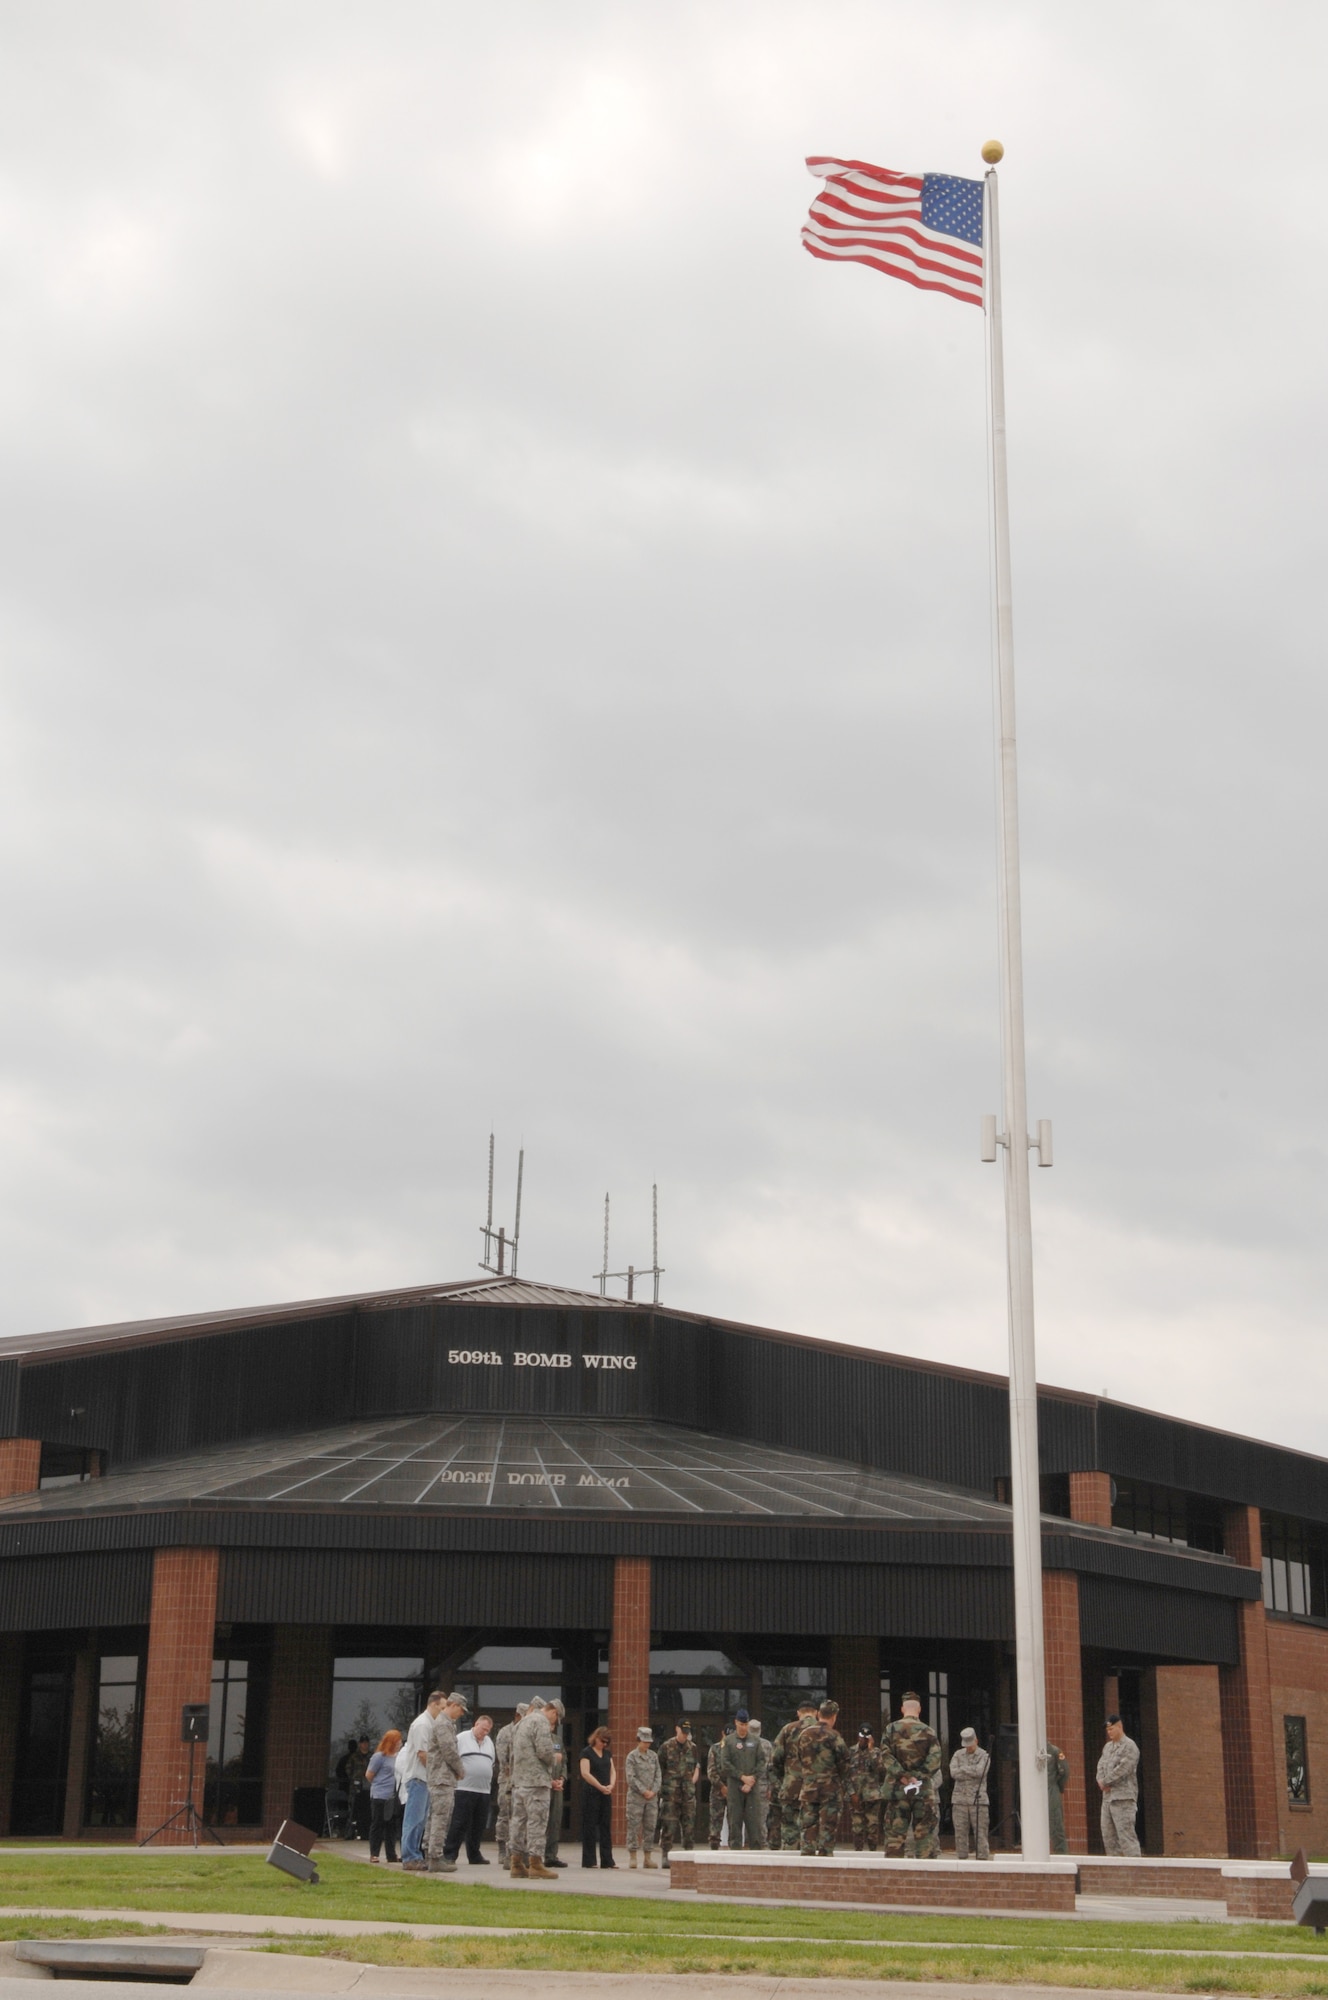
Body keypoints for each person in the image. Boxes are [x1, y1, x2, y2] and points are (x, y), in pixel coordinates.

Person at [881, 1691, 942, 1858]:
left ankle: (894, 1871)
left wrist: (903, 1776)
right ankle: (925, 1869)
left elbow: (885, 1756)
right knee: (925, 1836)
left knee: (895, 1836)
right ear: (919, 1709)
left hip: (897, 1790)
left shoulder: (891, 1729)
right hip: (922, 1790)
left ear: (902, 1709)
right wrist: (918, 1777)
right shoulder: (929, 1732)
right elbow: (935, 1760)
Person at [509, 1697, 560, 1880]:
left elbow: (512, 1754)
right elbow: (544, 1751)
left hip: (519, 1782)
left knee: (518, 1823)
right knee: (537, 1823)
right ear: (553, 1712)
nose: (554, 1723)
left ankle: (516, 1863)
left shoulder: (521, 1723)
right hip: (536, 1783)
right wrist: (555, 1759)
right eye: (556, 1719)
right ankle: (536, 1864)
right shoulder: (541, 1721)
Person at [795, 1698, 849, 1857]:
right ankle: (825, 1860)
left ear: (818, 1714)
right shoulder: (835, 1736)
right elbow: (845, 1764)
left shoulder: (804, 1735)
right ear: (834, 1716)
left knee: (808, 1829)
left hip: (809, 1788)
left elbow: (800, 1759)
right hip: (830, 1790)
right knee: (827, 1829)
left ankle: (807, 1861)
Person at [399, 1691, 445, 1870]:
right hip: (418, 1778)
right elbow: (423, 1754)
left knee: (420, 1821)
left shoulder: (431, 1724)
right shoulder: (422, 1725)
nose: (443, 1712)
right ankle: (409, 1857)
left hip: (425, 1779)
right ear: (433, 1704)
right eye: (441, 1708)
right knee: (414, 1819)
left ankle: (415, 1855)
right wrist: (436, 1773)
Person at [425, 1691, 469, 1874]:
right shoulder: (443, 1723)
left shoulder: (446, 1723)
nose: (461, 1714)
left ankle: (431, 1854)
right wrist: (460, 1770)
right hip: (442, 1778)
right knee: (440, 1819)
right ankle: (435, 1857)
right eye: (461, 1710)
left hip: (441, 1778)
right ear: (454, 1705)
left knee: (436, 1817)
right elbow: (449, 1751)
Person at [443, 1713, 496, 1867]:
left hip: (483, 1791)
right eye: (483, 1729)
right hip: (463, 1789)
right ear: (476, 1724)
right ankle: (450, 1854)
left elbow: (491, 1763)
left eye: (488, 1731)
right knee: (459, 1822)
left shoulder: (489, 1742)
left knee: (478, 1825)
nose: (484, 1733)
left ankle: (474, 1855)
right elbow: (451, 1759)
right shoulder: (461, 1738)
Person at [769, 1699, 818, 1850]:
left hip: (791, 1788)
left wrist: (780, 1783)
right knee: (813, 1831)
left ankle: (790, 1857)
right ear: (816, 1713)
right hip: (816, 1789)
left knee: (790, 1831)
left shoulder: (787, 1730)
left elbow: (774, 1760)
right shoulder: (824, 1731)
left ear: (798, 1713)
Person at [717, 1710, 766, 1850]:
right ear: (736, 1723)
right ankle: (735, 1853)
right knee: (735, 1822)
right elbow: (725, 1764)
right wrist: (742, 1777)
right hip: (735, 1786)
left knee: (754, 1823)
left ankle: (756, 1853)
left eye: (745, 1724)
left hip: (752, 1787)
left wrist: (752, 1779)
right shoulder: (728, 1741)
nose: (743, 1727)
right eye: (741, 1724)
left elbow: (762, 1762)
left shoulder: (755, 1741)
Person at [1096, 1714, 1141, 1856]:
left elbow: (1123, 1769)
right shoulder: (1108, 1747)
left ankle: (1135, 1866)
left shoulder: (1129, 1746)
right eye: (1107, 1730)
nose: (1109, 1732)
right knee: (1108, 1837)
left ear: (1120, 1727)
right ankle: (1114, 1867)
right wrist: (1100, 1780)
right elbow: (1101, 1765)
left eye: (1111, 1729)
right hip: (1108, 1799)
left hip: (1123, 1799)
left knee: (1126, 1837)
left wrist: (1106, 1781)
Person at [657, 1720, 699, 1867]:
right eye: (683, 1732)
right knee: (668, 1825)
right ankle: (665, 1854)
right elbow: (659, 1769)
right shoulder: (666, 1747)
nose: (685, 1735)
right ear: (677, 1729)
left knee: (689, 1827)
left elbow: (694, 1768)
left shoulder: (693, 1748)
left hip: (687, 1794)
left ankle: (688, 1854)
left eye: (687, 1732)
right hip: (671, 1794)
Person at [948, 1727, 991, 1860]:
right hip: (959, 1800)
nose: (968, 1747)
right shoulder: (957, 1754)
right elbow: (953, 1773)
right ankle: (961, 1859)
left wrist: (963, 1769)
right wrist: (970, 1771)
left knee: (981, 1832)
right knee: (960, 1832)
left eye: (970, 1744)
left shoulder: (984, 1755)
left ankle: (982, 1859)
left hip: (978, 1800)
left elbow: (980, 1772)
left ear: (976, 1741)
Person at [495, 1703, 528, 1866]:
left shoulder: (525, 1732)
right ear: (517, 1716)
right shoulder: (505, 1732)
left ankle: (516, 1851)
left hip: (520, 1781)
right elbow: (504, 1760)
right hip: (507, 1780)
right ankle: (503, 1848)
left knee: (518, 1817)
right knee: (505, 1815)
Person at [578, 1726, 616, 1868]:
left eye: (606, 1742)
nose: (603, 1744)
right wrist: (599, 1786)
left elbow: (612, 1771)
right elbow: (585, 1773)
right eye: (602, 1741)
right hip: (591, 1792)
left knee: (605, 1826)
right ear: (596, 1738)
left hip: (606, 1792)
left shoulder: (607, 1754)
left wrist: (611, 1785)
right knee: (590, 1826)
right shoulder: (586, 1753)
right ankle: (589, 1860)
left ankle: (607, 1860)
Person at [365, 1729, 403, 1864]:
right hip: (380, 1796)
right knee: (378, 1823)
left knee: (391, 1826)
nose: (400, 1743)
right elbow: (369, 1775)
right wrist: (379, 1785)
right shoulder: (379, 1757)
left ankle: (391, 1854)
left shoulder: (398, 1757)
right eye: (397, 1741)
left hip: (393, 1796)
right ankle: (374, 1854)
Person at [625, 1725, 661, 1869]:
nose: (647, 1744)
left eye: (648, 1742)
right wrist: (643, 1790)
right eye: (644, 1741)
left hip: (651, 1798)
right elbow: (631, 1777)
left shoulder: (653, 1756)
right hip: (636, 1798)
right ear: (638, 1740)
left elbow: (658, 1775)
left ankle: (648, 1857)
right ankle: (633, 1856)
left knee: (650, 1827)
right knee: (633, 1826)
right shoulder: (632, 1757)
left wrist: (653, 1791)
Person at [849, 1725, 885, 1851]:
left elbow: (880, 1770)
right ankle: (857, 1852)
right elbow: (845, 1774)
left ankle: (873, 1852)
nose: (862, 1740)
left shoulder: (877, 1753)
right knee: (857, 1827)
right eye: (861, 1737)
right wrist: (851, 1793)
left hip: (872, 1796)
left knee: (872, 1827)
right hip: (855, 1794)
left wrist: (871, 1750)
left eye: (866, 1738)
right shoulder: (851, 1752)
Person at [543, 1699, 568, 1868]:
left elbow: (564, 1761)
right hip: (543, 1785)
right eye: (553, 1722)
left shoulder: (557, 1740)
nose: (553, 1725)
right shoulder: (540, 1738)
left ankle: (551, 1855)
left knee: (555, 1821)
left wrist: (562, 1779)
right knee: (540, 1821)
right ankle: (535, 1855)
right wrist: (549, 1781)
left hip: (557, 1787)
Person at [1046, 1741, 1070, 1855]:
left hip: (1051, 1788)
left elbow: (1064, 1771)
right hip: (1036, 1791)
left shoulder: (1054, 1751)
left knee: (1055, 1823)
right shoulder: (1030, 1751)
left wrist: (1057, 1786)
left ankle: (1061, 1853)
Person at [705, 1733, 727, 1849]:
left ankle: (734, 1848)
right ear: (723, 1733)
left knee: (735, 1823)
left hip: (733, 1791)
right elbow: (711, 1771)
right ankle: (714, 1847)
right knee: (715, 1822)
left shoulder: (737, 1748)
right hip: (717, 1791)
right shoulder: (715, 1748)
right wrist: (722, 1786)